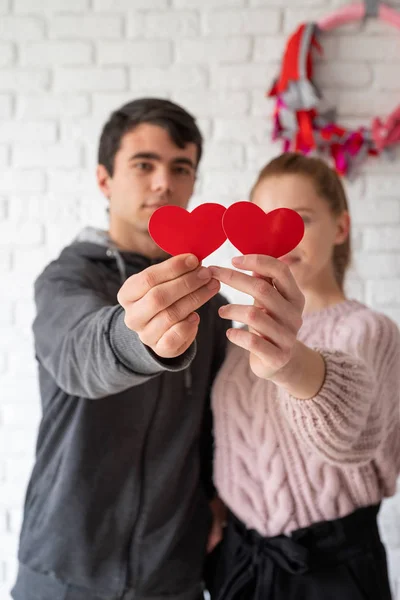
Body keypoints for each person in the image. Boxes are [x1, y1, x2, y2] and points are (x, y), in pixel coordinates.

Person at [12, 98, 229, 600]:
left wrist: (218, 503)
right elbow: (79, 354)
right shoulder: (66, 279)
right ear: (105, 180)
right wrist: (140, 336)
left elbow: (222, 420)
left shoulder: (211, 299)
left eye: (181, 168)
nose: (163, 183)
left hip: (173, 576)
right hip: (64, 573)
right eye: (144, 165)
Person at [208, 152, 400, 600]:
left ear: (340, 228)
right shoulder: (239, 335)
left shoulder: (367, 330)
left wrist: (292, 366)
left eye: (301, 219)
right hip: (239, 563)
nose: (281, 236)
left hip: (331, 570)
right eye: (266, 222)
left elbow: (355, 436)